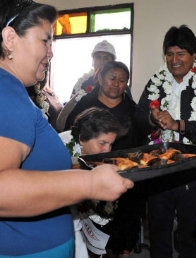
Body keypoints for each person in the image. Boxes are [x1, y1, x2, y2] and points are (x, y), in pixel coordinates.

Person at [0, 1, 133, 257]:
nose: (51, 53)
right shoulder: (6, 92)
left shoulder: (14, 89)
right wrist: (88, 184)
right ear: (10, 39)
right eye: (44, 41)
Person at [138, 25, 196, 258]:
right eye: (169, 54)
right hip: (158, 173)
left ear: (194, 55)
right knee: (158, 233)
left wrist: (179, 125)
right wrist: (151, 117)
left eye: (181, 53)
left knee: (189, 236)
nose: (174, 60)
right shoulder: (155, 84)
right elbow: (137, 118)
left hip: (193, 173)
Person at [64, 61, 147, 257]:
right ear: (100, 79)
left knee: (123, 222)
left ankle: (119, 250)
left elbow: (142, 142)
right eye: (112, 78)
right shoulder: (84, 104)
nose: (116, 84)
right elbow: (71, 135)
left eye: (122, 81)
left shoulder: (133, 110)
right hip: (89, 175)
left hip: (124, 174)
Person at [59, 107, 127, 258]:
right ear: (82, 138)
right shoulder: (59, 147)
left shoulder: (103, 156)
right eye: (102, 143)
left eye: (111, 144)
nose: (107, 150)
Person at [56, 40, 132, 132]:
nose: (102, 62)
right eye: (98, 58)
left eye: (106, 58)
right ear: (93, 61)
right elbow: (72, 113)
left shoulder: (120, 86)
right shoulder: (82, 83)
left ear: (113, 62)